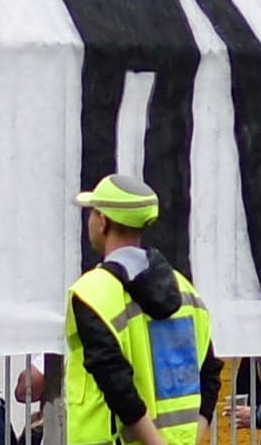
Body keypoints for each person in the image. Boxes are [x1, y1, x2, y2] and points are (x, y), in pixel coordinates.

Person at [60, 173, 221, 445]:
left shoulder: (91, 293)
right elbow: (210, 377)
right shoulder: (186, 292)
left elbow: (117, 386)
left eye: (92, 212)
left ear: (102, 221)